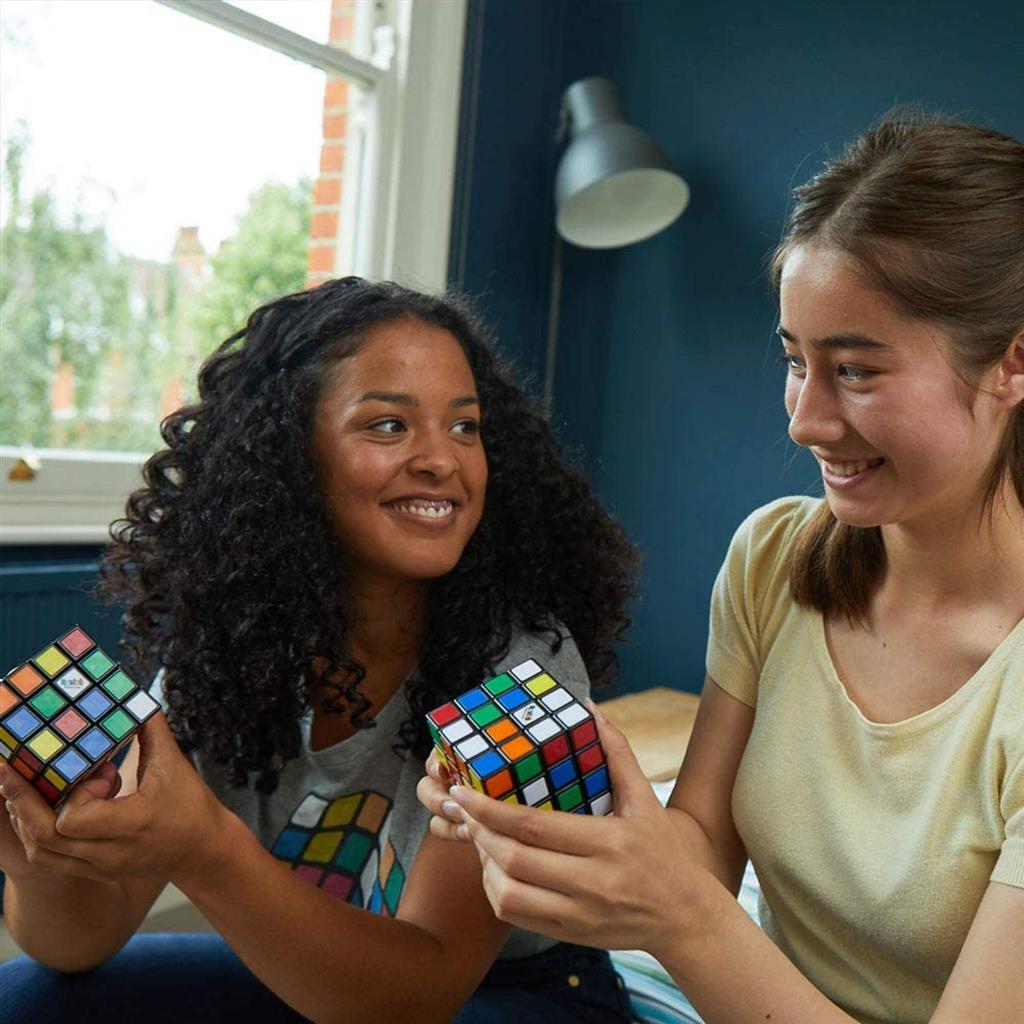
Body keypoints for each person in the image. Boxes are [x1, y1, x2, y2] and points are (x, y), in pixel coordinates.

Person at [420, 113, 1024, 1023]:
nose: (805, 420)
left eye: (855, 371)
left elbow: (692, 905)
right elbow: (700, 844)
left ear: (1013, 362)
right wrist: (573, 820)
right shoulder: (776, 558)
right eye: (795, 362)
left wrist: (684, 916)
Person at [0, 278, 638, 1024]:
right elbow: (77, 945)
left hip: (513, 994)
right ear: (291, 459)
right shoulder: (233, 655)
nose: (442, 459)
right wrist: (36, 855)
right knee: (29, 1000)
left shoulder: (522, 671)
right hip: (322, 981)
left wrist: (204, 848)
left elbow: (424, 989)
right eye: (389, 426)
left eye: (466, 427)